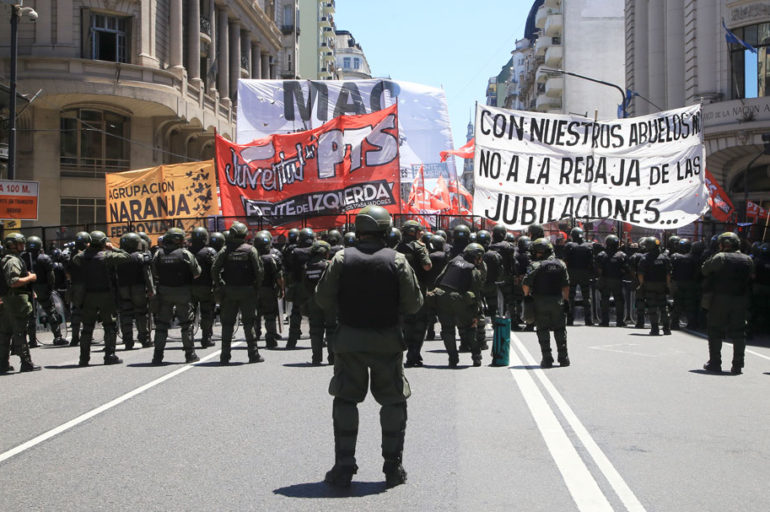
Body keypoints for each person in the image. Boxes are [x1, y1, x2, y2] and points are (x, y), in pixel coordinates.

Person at [315, 205, 422, 489]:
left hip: (349, 339)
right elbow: (414, 304)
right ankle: (392, 467)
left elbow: (323, 300)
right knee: (393, 400)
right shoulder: (397, 260)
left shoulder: (340, 258)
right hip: (387, 340)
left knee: (346, 399)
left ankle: (344, 465)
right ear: (387, 230)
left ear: (358, 231)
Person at [71, 231, 131, 366]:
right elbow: (126, 256)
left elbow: (76, 259)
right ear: (103, 242)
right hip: (106, 296)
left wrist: (88, 249)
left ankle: (84, 358)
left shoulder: (81, 257)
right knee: (109, 326)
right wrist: (112, 248)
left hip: (88, 296)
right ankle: (109, 355)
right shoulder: (107, 256)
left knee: (87, 327)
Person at [701, 232, 755, 374]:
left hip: (720, 298)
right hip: (740, 299)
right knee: (739, 332)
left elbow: (705, 270)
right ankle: (738, 365)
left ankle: (715, 363)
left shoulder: (720, 257)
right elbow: (752, 276)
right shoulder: (748, 259)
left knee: (715, 330)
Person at [212, 222, 264, 364]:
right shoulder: (251, 250)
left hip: (229, 291)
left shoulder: (225, 250)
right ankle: (253, 355)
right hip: (247, 291)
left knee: (227, 324)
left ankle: (224, 356)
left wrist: (220, 285)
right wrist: (256, 287)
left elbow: (214, 269)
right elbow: (259, 271)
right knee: (249, 323)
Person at [151, 227, 202, 365]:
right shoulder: (185, 254)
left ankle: (157, 356)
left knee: (161, 325)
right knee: (186, 324)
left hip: (164, 292)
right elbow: (197, 272)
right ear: (178, 240)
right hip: (182, 293)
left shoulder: (158, 254)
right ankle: (190, 354)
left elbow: (154, 273)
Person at [431, 243, 485, 367]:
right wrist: (476, 313)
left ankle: (453, 359)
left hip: (442, 297)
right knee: (470, 327)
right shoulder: (473, 269)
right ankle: (476, 357)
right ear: (475, 256)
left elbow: (438, 280)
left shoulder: (453, 261)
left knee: (448, 330)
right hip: (460, 299)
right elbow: (476, 293)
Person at [522, 238, 570, 368]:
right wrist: (566, 300)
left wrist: (527, 297)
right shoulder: (561, 264)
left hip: (540, 301)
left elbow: (526, 284)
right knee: (560, 329)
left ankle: (547, 358)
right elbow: (566, 286)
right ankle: (563, 358)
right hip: (557, 301)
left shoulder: (535, 265)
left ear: (540, 252)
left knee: (542, 330)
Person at [1, 233, 41, 373]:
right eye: (20, 244)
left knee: (5, 333)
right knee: (19, 331)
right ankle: (26, 362)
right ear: (13, 245)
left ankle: (3, 364)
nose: (23, 246)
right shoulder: (12, 261)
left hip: (7, 299)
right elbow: (14, 282)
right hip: (15, 301)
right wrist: (30, 278)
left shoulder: (7, 259)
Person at [396, 220, 432, 367]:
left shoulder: (396, 248)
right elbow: (427, 266)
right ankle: (414, 353)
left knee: (405, 323)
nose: (421, 233)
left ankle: (407, 352)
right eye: (419, 230)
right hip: (418, 290)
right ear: (413, 232)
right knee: (420, 323)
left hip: (400, 291)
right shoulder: (419, 247)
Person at [24, 236, 68, 345]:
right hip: (42, 288)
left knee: (30, 315)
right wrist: (50, 287)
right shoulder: (44, 258)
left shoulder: (22, 257)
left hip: (27, 288)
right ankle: (57, 337)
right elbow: (51, 276)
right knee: (50, 311)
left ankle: (32, 340)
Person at [115, 232, 154, 349]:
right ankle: (144, 338)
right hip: (138, 288)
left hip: (123, 288)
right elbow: (147, 275)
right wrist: (151, 289)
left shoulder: (118, 257)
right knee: (141, 313)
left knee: (125, 314)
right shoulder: (141, 256)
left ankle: (128, 340)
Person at [303, 240, 335, 365]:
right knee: (331, 329)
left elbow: (304, 285)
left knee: (316, 329)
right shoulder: (329, 265)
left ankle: (316, 358)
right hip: (329, 301)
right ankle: (332, 357)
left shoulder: (306, 266)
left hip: (313, 300)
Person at [286, 227, 315, 349]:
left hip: (298, 286)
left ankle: (292, 342)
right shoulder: (315, 250)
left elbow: (288, 268)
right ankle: (317, 340)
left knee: (296, 314)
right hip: (312, 286)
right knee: (315, 314)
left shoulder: (295, 252)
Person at [254, 230, 283, 350]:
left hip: (253, 290)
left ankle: (254, 336)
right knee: (270, 315)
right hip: (268, 290)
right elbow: (279, 276)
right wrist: (281, 289)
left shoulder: (251, 256)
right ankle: (270, 339)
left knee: (255, 315)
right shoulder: (273, 257)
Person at [189, 227, 217, 349]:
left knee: (190, 315)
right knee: (207, 313)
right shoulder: (210, 252)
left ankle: (188, 339)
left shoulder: (186, 252)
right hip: (206, 287)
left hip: (190, 288)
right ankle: (206, 338)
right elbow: (215, 269)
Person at [637, 237, 672, 336]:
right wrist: (667, 285)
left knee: (652, 308)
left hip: (649, 285)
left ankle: (655, 329)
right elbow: (668, 274)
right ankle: (666, 328)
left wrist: (642, 284)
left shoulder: (645, 258)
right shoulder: (664, 258)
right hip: (662, 285)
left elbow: (640, 274)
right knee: (663, 307)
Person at [563, 227, 595, 326]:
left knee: (570, 297)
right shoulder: (588, 246)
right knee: (586, 297)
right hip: (584, 273)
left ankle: (569, 319)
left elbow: (565, 260)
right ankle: (588, 320)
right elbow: (591, 261)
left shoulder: (569, 245)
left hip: (572, 272)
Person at [595, 234, 629, 327]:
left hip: (605, 279)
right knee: (619, 301)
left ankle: (605, 321)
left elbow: (598, 269)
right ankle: (620, 321)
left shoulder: (601, 255)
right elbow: (626, 269)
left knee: (605, 300)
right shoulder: (622, 255)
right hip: (617, 280)